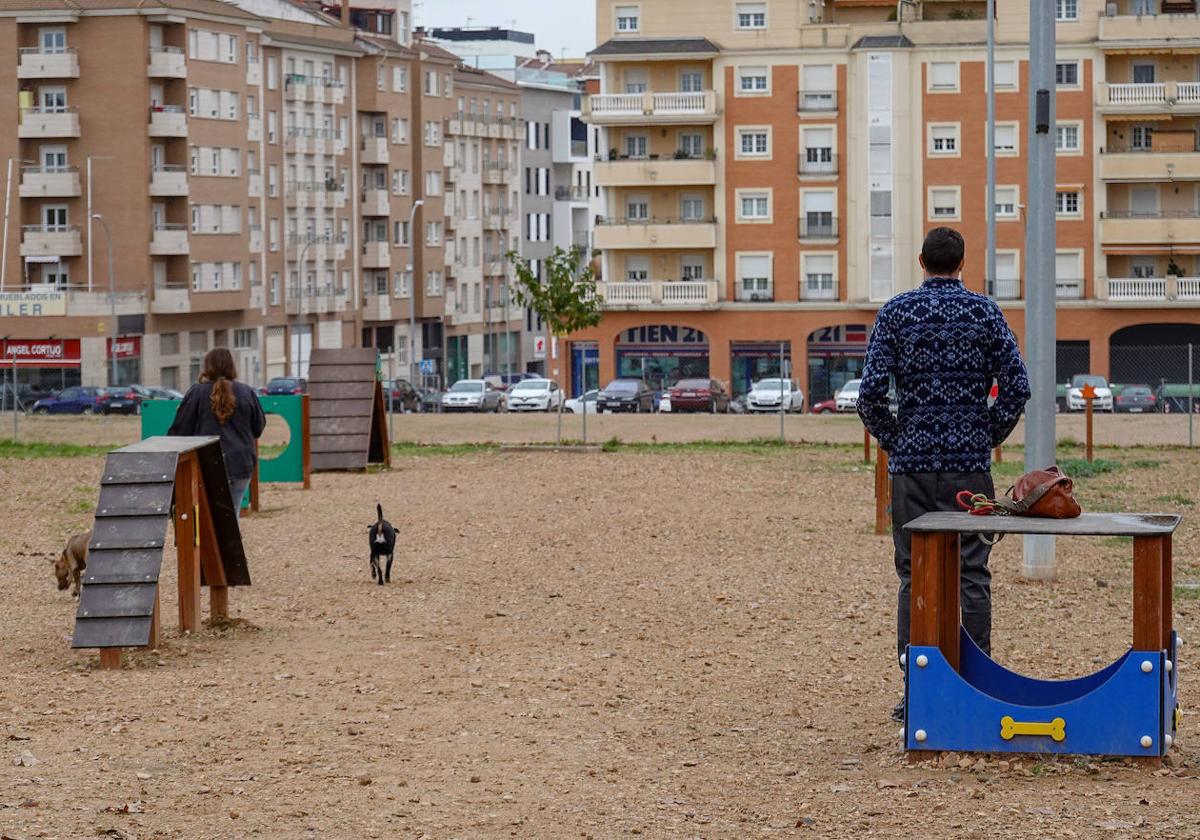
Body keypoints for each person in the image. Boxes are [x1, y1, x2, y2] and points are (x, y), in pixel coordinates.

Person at [857, 227, 1030, 722]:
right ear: (962, 262)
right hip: (969, 471)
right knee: (972, 572)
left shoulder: (896, 313)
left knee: (915, 575)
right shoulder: (984, 313)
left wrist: (896, 439)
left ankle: (919, 690)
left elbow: (869, 394)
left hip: (911, 468)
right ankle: (978, 684)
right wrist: (985, 435)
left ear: (921, 261)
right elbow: (1017, 387)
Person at [168, 348, 266, 519]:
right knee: (231, 514)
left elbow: (180, 429)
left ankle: (212, 545)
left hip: (207, 462)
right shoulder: (247, 392)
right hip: (241, 461)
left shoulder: (196, 393)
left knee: (208, 518)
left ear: (207, 367)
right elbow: (258, 427)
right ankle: (231, 544)